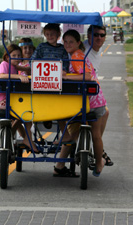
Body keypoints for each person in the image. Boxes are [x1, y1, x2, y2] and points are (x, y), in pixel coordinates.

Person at [53, 29, 108, 177]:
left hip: (90, 102)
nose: (67, 44)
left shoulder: (77, 56)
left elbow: (88, 76)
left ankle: (65, 140)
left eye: (71, 42)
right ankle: (98, 164)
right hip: (96, 100)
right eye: (65, 42)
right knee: (96, 136)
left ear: (78, 42)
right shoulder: (76, 55)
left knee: (59, 111)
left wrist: (66, 77)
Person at [0, 44, 37, 153]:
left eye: (18, 55)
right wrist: (19, 76)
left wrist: (23, 69)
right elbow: (2, 75)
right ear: (7, 57)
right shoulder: (4, 64)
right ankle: (26, 138)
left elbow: (25, 69)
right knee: (27, 111)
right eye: (14, 55)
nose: (16, 57)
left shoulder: (13, 66)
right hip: (2, 101)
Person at [83, 25, 113, 166]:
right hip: (81, 92)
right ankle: (98, 150)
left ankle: (97, 148)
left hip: (91, 91)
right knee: (102, 113)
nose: (99, 38)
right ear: (89, 36)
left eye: (102, 35)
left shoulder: (98, 49)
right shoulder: (83, 49)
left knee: (105, 112)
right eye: (96, 35)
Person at [31, 23, 69, 129]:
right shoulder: (41, 47)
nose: (49, 36)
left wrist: (63, 70)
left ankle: (55, 116)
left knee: (58, 98)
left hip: (57, 80)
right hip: (43, 79)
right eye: (47, 34)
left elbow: (66, 62)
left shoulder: (62, 49)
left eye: (52, 34)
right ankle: (45, 116)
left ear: (58, 34)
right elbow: (32, 61)